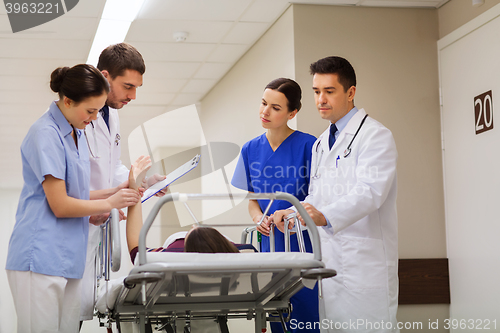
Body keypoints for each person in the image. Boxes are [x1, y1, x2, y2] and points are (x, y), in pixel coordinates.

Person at [5, 64, 142, 333]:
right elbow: (60, 204)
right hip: (40, 256)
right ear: (67, 101)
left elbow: (77, 194)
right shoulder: (46, 133)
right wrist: (111, 203)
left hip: (70, 258)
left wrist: (121, 190)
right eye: (90, 111)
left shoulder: (75, 132)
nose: (92, 118)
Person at [273, 56, 399, 333]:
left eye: (329, 91)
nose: (321, 99)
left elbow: (371, 191)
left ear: (350, 92)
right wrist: (292, 214)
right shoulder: (321, 143)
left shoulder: (375, 136)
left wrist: (324, 216)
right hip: (331, 270)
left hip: (363, 266)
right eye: (317, 92)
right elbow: (318, 198)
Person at [80, 43, 167, 325]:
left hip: (95, 226)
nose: (133, 96)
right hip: (76, 221)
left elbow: (110, 167)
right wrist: (101, 203)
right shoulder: (79, 117)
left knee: (77, 313)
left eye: (136, 88)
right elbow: (70, 179)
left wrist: (143, 182)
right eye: (128, 86)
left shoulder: (111, 115)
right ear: (105, 76)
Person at [231, 78, 319, 333]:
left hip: (302, 243)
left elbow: (318, 197)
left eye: (276, 107)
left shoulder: (308, 146)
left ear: (293, 112)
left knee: (304, 315)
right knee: (274, 312)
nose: (265, 112)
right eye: (263, 103)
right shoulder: (250, 149)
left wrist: (291, 214)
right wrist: (258, 218)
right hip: (268, 244)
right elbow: (252, 201)